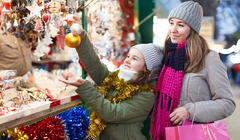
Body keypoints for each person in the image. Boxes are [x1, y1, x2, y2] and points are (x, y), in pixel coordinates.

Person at [59, 15, 163, 140]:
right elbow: (95, 66)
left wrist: (85, 88)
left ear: (147, 68)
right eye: (129, 56)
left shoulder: (147, 94)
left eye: (134, 59)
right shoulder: (117, 78)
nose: (127, 60)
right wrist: (81, 36)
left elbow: (112, 113)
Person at [150, 1, 236, 140]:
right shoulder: (167, 56)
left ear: (192, 29)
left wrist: (190, 111)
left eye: (181, 25)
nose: (173, 29)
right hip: (166, 134)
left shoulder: (208, 58)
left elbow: (227, 103)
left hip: (193, 134)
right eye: (171, 22)